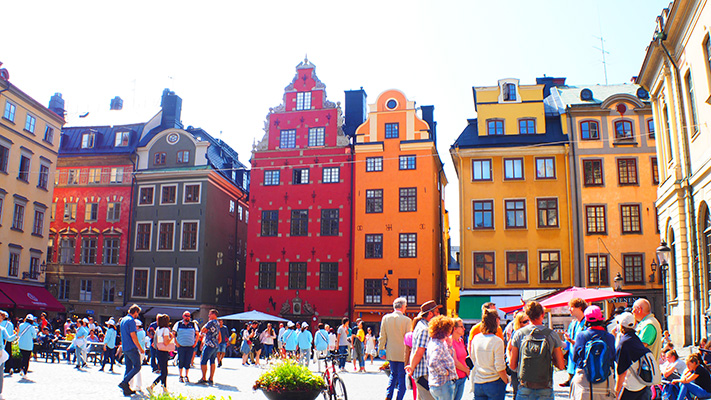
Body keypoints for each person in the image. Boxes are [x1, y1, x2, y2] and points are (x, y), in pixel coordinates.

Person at [509, 301, 566, 400]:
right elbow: (561, 366)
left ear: (527, 316)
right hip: (545, 387)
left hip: (525, 387)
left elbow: (512, 365)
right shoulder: (551, 334)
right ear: (542, 314)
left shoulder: (519, 334)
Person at [570, 305, 616, 400]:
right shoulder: (610, 337)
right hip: (605, 380)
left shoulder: (581, 336)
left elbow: (575, 358)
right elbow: (612, 357)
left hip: (584, 380)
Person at [406, 300, 442, 400]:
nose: (439, 314)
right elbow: (419, 352)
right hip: (425, 372)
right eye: (437, 312)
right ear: (430, 314)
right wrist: (411, 368)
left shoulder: (420, 325)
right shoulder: (426, 329)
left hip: (422, 373)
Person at [614, 312, 654, 400]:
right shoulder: (636, 340)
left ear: (621, 326)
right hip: (642, 384)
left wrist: (616, 392)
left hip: (629, 388)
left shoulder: (624, 344)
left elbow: (622, 372)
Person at [470, 309, 508, 400]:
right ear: (496, 321)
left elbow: (473, 358)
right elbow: (499, 366)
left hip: (479, 381)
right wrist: (506, 380)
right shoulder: (497, 341)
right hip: (494, 382)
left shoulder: (476, 338)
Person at [379, 297, 413, 400]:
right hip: (403, 353)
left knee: (393, 374)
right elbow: (408, 339)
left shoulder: (386, 318)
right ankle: (399, 398)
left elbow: (382, 336)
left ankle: (388, 396)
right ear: (402, 307)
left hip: (391, 352)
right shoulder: (407, 320)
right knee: (402, 376)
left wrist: (381, 349)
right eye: (405, 306)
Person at [426, 315, 457, 400]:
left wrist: (449, 346)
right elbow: (433, 362)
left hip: (437, 383)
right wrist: (444, 372)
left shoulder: (435, 342)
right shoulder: (438, 345)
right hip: (443, 383)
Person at [118, 304, 145, 397]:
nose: (138, 315)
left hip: (125, 347)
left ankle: (126, 389)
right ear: (136, 312)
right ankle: (124, 382)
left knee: (128, 368)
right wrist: (140, 348)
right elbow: (133, 336)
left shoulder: (123, 320)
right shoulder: (131, 321)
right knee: (137, 366)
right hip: (131, 347)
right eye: (138, 313)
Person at [562, 298, 588, 387]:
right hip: (571, 367)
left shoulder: (587, 324)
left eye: (572, 307)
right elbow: (567, 345)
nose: (569, 309)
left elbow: (584, 345)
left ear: (580, 308)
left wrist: (571, 340)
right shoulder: (573, 324)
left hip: (582, 365)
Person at [505, 311, 530, 398]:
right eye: (525, 321)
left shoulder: (531, 333)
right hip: (516, 367)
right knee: (517, 392)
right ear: (519, 323)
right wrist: (510, 360)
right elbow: (508, 348)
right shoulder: (515, 333)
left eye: (528, 320)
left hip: (528, 367)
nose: (528, 323)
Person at [147, 314, 174, 395]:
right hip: (164, 351)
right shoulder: (165, 330)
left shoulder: (158, 329)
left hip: (159, 350)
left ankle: (164, 388)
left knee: (163, 370)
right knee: (164, 372)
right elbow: (166, 342)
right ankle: (152, 386)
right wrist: (172, 337)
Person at [172, 311, 199, 383]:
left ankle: (186, 375)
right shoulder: (178, 324)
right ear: (183, 316)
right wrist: (176, 343)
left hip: (190, 346)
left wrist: (195, 343)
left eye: (189, 316)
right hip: (181, 346)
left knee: (188, 361)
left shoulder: (193, 324)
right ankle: (180, 375)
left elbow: (197, 334)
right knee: (181, 360)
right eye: (186, 316)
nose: (187, 317)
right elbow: (173, 333)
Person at [198, 309, 221, 385]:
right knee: (212, 361)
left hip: (209, 344)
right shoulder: (218, 323)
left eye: (210, 314)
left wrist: (206, 326)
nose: (208, 316)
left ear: (214, 314)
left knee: (203, 361)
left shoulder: (211, 322)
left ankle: (203, 378)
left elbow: (203, 330)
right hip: (215, 344)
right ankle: (211, 378)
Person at [449, 317, 470, 400]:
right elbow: (455, 362)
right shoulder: (450, 342)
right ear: (454, 328)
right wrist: (466, 370)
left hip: (462, 377)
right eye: (461, 327)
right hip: (454, 378)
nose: (464, 329)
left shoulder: (461, 341)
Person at [0, 310, 16, 399]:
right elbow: (9, 338)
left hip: (1, 351)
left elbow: (9, 338)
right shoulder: (7, 326)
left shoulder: (2, 329)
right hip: (2, 350)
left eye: (2, 317)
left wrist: (16, 335)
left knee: (0, 372)